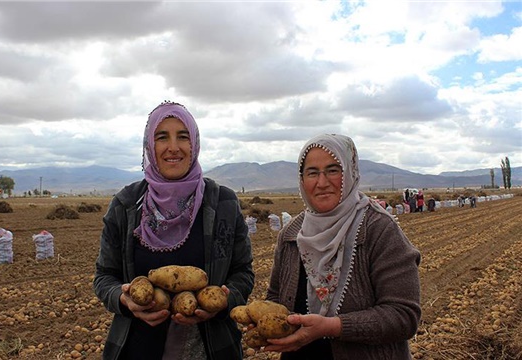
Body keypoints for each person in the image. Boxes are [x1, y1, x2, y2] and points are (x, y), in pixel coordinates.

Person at [93, 101, 255, 360]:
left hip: (211, 350)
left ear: (194, 144)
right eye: (162, 137)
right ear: (149, 145)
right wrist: (125, 300)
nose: (173, 147)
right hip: (137, 349)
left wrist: (224, 301)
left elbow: (243, 272)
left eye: (183, 136)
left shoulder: (222, 202)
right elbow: (104, 277)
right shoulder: (125, 205)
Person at [265, 134, 421, 359]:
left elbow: (403, 316)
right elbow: (275, 296)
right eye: (312, 172)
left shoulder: (379, 229)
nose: (322, 182)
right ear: (301, 180)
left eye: (332, 170)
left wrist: (332, 327)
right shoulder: (292, 234)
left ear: (350, 173)